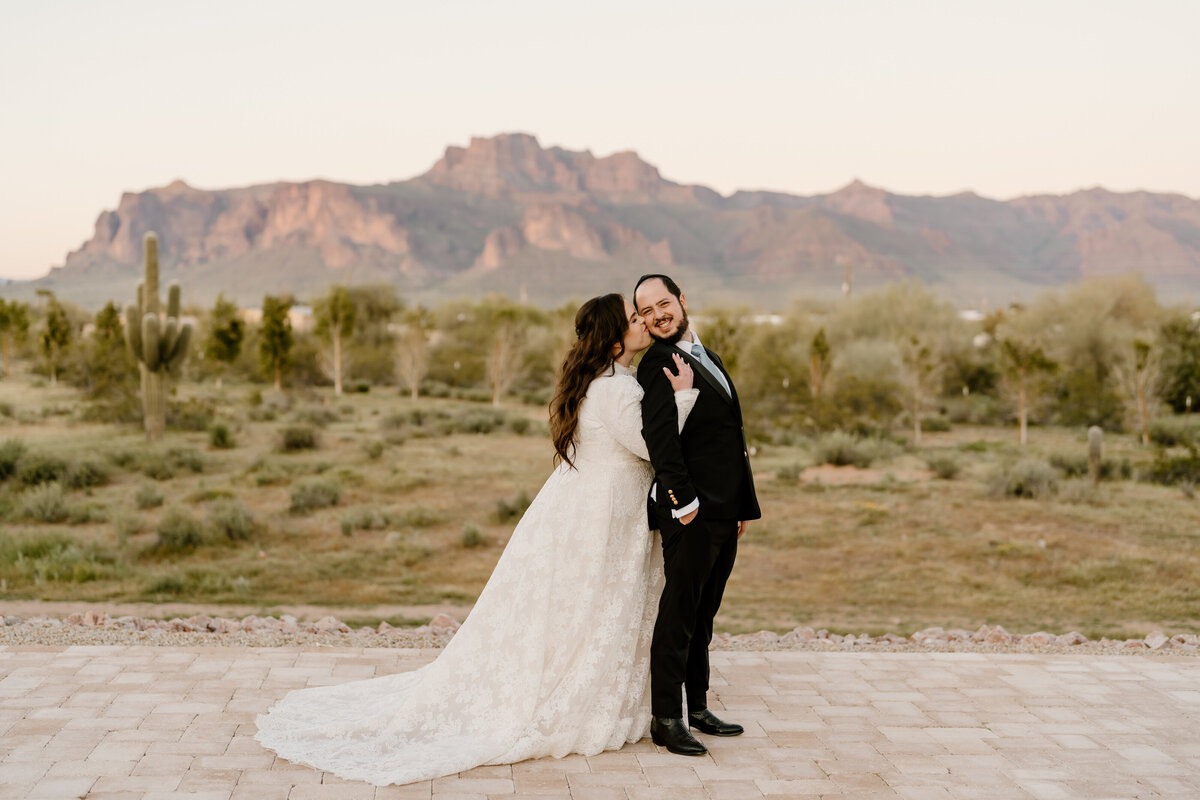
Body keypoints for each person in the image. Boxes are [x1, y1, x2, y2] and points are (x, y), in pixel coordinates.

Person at [255, 293, 698, 786]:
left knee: (584, 603)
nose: (643, 324)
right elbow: (650, 445)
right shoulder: (616, 390)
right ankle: (576, 695)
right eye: (634, 318)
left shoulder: (610, 380)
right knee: (598, 600)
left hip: (585, 504)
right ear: (615, 339)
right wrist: (682, 399)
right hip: (605, 510)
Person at [633, 273, 761, 757]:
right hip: (689, 513)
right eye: (646, 311)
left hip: (725, 511)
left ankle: (698, 707)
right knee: (679, 615)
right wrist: (682, 505)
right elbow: (661, 444)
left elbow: (730, 438)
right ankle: (667, 718)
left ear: (682, 301)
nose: (657, 315)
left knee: (705, 613)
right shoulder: (657, 365)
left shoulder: (709, 357)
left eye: (662, 303)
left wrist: (742, 505)